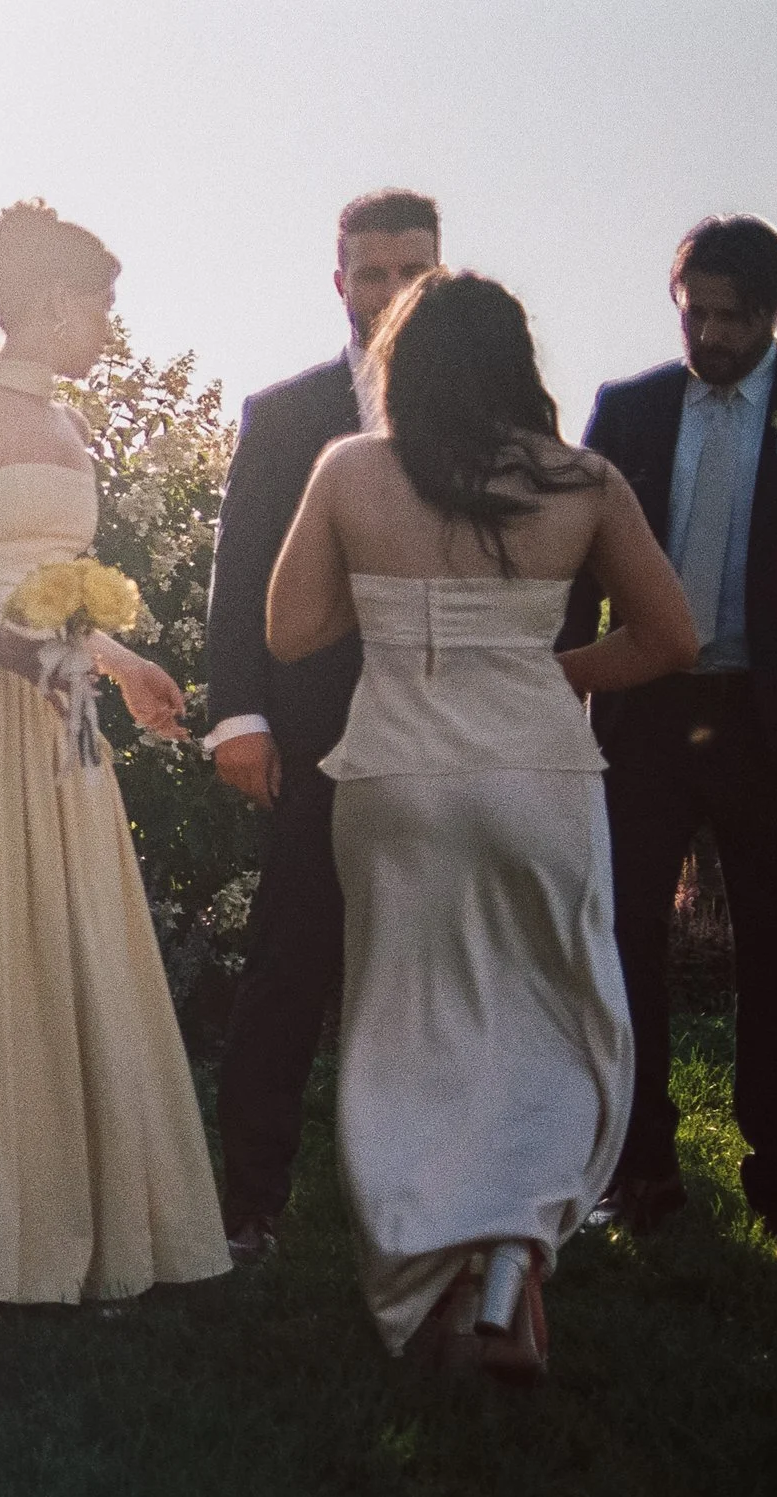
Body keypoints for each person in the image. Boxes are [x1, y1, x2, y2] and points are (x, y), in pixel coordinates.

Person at [268, 271, 697, 1376]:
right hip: (534, 769)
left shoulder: (352, 469)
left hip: (397, 776)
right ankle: (512, 1244)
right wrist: (548, 665)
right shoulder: (582, 479)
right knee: (553, 1011)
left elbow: (290, 630)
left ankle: (432, 1263)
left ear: (399, 364)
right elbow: (670, 640)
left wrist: (393, 606)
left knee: (407, 1026)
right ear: (518, 361)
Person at [0, 202, 229, 1307]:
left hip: (65, 697)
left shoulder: (73, 428)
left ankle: (86, 1212)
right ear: (48, 302)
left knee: (73, 922)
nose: (107, 327)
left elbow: (61, 585)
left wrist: (118, 666)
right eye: (100, 304)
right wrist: (14, 655)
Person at [559, 216, 777, 1255]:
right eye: (689, 309)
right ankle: (636, 1172)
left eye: (724, 315)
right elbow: (572, 565)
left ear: (770, 312)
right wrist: (553, 687)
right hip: (642, 715)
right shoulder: (628, 408)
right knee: (618, 943)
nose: (701, 332)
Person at [202, 188, 441, 1263]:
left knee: (434, 973)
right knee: (290, 964)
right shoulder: (287, 413)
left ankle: (422, 1199)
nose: (390, 291)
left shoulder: (496, 415)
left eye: (411, 271)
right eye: (371, 271)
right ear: (337, 279)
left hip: (448, 738)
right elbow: (238, 575)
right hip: (312, 734)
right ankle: (250, 1201)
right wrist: (239, 716)